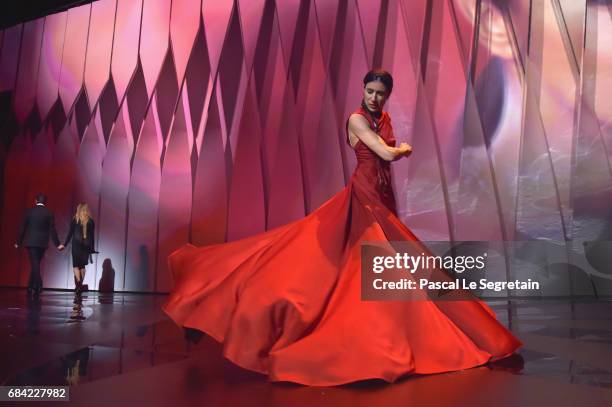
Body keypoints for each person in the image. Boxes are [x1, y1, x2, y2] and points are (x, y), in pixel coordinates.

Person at [162, 69, 522, 386]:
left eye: (380, 93)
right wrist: (403, 150)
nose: (375, 97)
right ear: (362, 90)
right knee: (369, 266)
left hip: (380, 195)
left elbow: (385, 155)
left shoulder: (384, 117)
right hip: (363, 196)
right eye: (370, 91)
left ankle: (408, 334)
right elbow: (383, 153)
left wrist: (394, 162)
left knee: (388, 266)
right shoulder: (356, 120)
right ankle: (381, 340)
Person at [15, 194, 63, 297]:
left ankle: (38, 284)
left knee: (35, 263)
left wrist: (18, 242)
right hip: (42, 243)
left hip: (31, 242)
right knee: (35, 264)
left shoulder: (29, 212)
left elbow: (22, 228)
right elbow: (52, 230)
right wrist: (57, 244)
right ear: (45, 202)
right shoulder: (49, 213)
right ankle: (31, 287)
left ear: (35, 201)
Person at [61, 203, 95, 295]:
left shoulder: (75, 220)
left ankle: (78, 286)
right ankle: (80, 285)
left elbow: (70, 234)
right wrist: (92, 248)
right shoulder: (91, 221)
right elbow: (92, 237)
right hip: (86, 247)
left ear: (78, 209)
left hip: (76, 246)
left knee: (76, 266)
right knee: (82, 266)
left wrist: (64, 244)